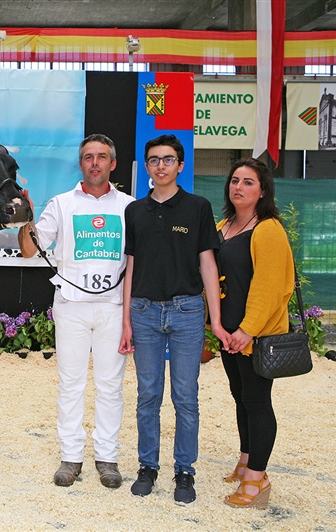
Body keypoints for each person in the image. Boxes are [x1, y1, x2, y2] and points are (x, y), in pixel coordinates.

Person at [118, 134, 230, 505]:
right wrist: (126, 321)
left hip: (186, 312)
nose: (161, 166)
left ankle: (185, 470)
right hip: (145, 312)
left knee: (185, 396)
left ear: (181, 166)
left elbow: (208, 265)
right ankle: (147, 466)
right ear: (147, 167)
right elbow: (130, 266)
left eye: (168, 160)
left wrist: (215, 320)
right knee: (148, 394)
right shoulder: (134, 211)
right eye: (154, 160)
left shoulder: (197, 207)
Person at [18, 134, 134, 489]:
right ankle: (71, 457)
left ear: (113, 164)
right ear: (81, 164)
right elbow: (27, 250)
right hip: (70, 308)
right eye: (88, 157)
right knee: (70, 384)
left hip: (113, 309)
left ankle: (107, 458)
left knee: (110, 386)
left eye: (102, 157)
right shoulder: (62, 203)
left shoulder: (130, 206)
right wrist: (28, 218)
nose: (95, 163)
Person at [215, 158, 294, 509]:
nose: (239, 187)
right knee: (240, 396)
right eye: (235, 180)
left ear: (263, 190)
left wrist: (248, 330)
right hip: (228, 334)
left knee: (258, 402)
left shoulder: (269, 228)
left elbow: (270, 285)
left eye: (248, 182)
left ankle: (257, 479)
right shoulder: (225, 224)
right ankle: (246, 459)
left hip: (255, 336)